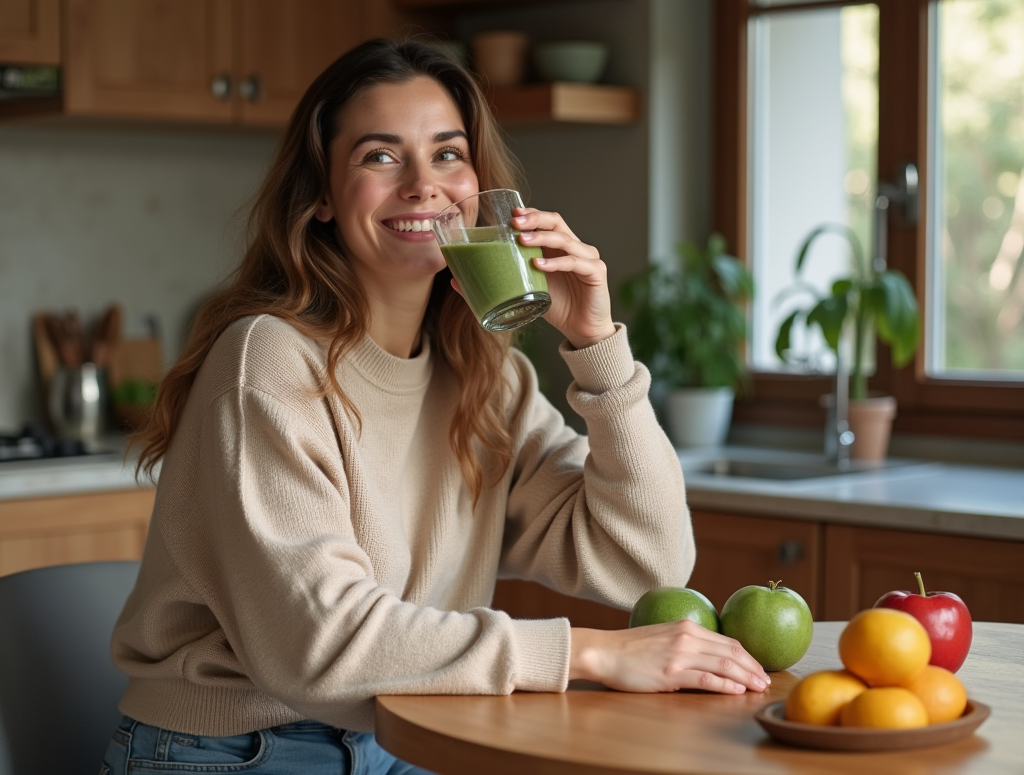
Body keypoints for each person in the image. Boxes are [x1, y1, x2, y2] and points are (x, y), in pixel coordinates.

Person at [101, 38, 769, 775]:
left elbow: (646, 564)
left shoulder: (489, 379)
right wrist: (593, 652)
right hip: (240, 751)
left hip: (407, 734)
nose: (424, 184)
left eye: (448, 154)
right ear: (321, 195)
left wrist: (598, 348)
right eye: (380, 157)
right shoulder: (268, 360)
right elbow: (319, 646)